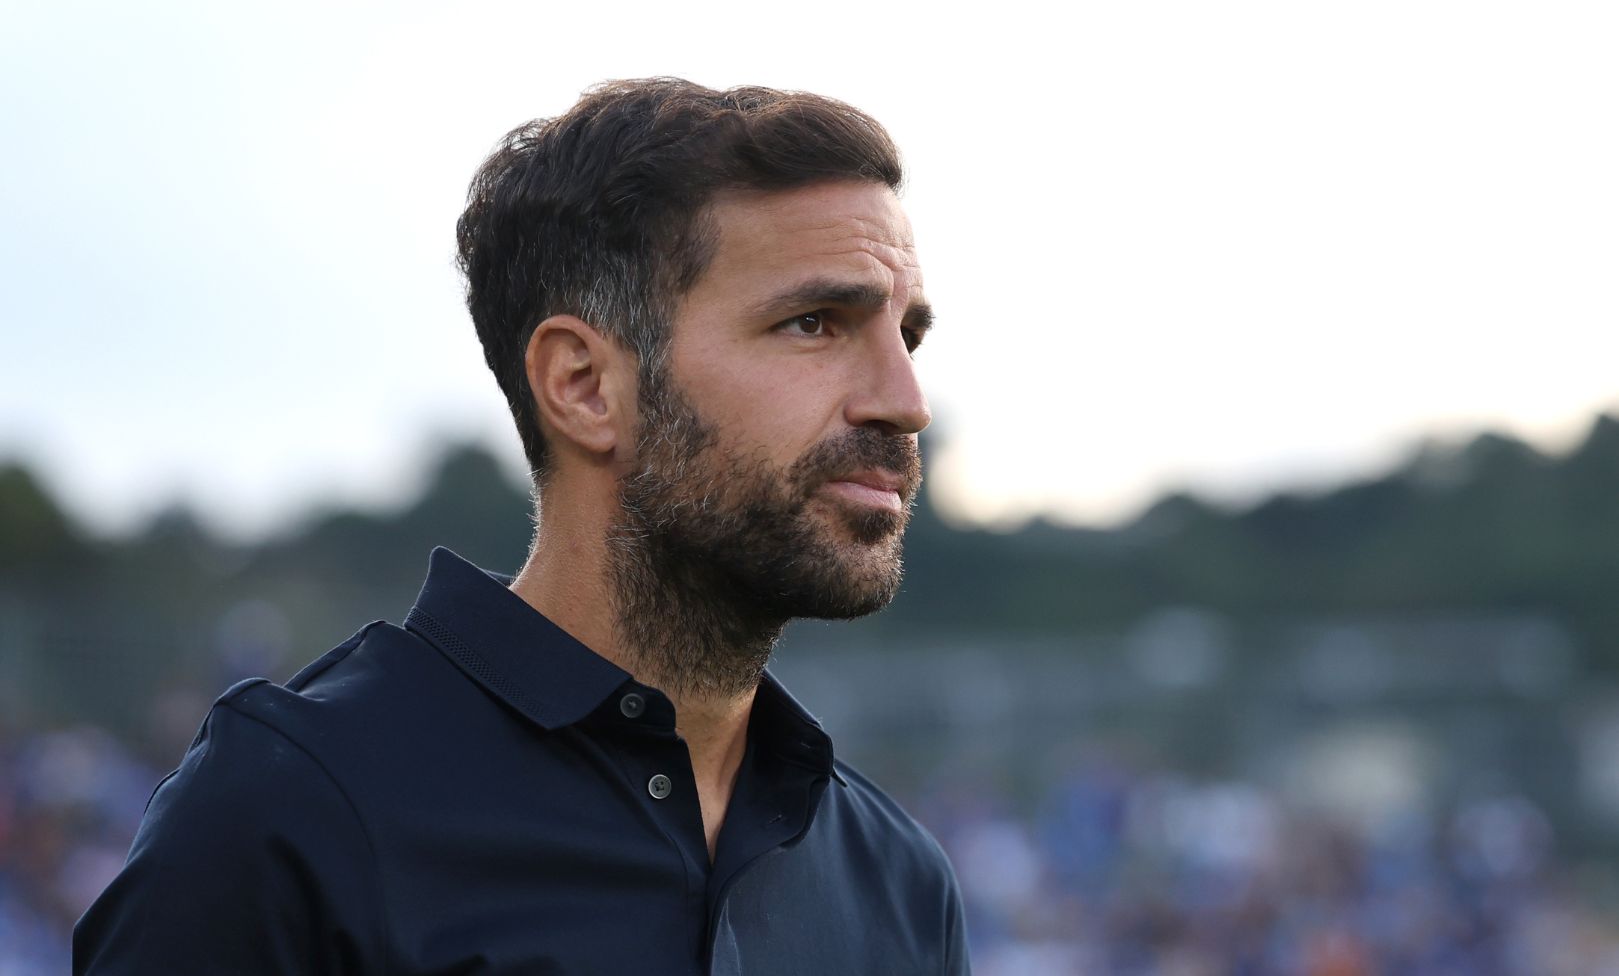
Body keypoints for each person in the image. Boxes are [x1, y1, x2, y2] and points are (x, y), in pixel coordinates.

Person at [74, 78, 969, 974]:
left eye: (907, 336)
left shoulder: (898, 883)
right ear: (582, 386)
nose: (904, 402)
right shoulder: (295, 813)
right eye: (814, 323)